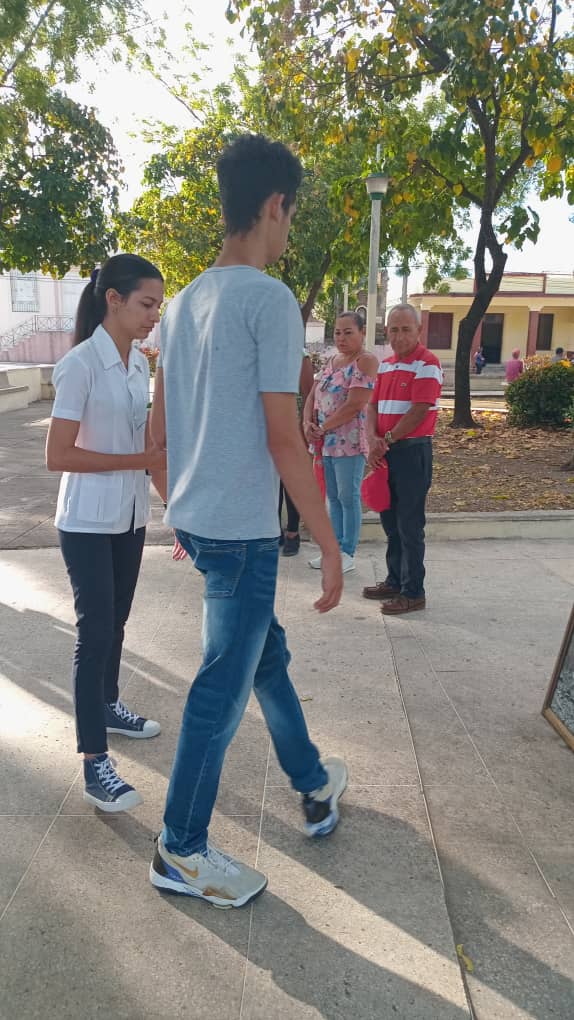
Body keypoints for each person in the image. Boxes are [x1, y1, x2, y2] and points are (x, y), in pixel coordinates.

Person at [149, 134, 346, 909]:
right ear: (274, 206)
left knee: (260, 657)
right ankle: (181, 849)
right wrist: (328, 543)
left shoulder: (185, 300)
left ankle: (314, 782)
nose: (289, 230)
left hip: (201, 523)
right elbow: (283, 434)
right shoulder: (267, 299)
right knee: (221, 691)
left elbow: (159, 434)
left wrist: (180, 504)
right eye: (291, 215)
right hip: (238, 533)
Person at [46, 254, 167, 812]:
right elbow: (58, 455)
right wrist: (136, 459)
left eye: (157, 308)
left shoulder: (140, 363)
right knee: (94, 633)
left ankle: (110, 706)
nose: (152, 317)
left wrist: (170, 501)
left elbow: (148, 448)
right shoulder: (80, 364)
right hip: (87, 522)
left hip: (130, 517)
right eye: (146, 304)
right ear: (113, 299)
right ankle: (95, 763)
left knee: (116, 622)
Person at [362, 304, 442, 615]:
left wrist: (387, 440)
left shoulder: (428, 363)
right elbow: (372, 406)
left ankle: (413, 591)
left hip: (411, 452)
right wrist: (372, 438)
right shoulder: (386, 365)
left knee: (409, 525)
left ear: (418, 331)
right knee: (390, 522)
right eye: (393, 329)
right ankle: (394, 580)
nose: (399, 335)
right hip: (386, 452)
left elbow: (419, 409)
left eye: (406, 329)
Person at [303, 312, 378, 573]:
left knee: (348, 496)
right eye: (337, 332)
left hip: (350, 441)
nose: (341, 338)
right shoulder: (331, 361)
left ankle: (348, 551)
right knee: (332, 497)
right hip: (326, 442)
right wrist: (307, 424)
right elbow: (313, 395)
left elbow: (355, 404)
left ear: (362, 332)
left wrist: (323, 427)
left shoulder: (365, 362)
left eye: (348, 332)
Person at [278, 349, 314, 556]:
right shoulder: (262, 350)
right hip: (268, 428)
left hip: (294, 430)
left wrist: (304, 431)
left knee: (292, 485)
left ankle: (293, 533)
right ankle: (276, 533)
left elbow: (309, 395)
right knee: (272, 485)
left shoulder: (300, 356)